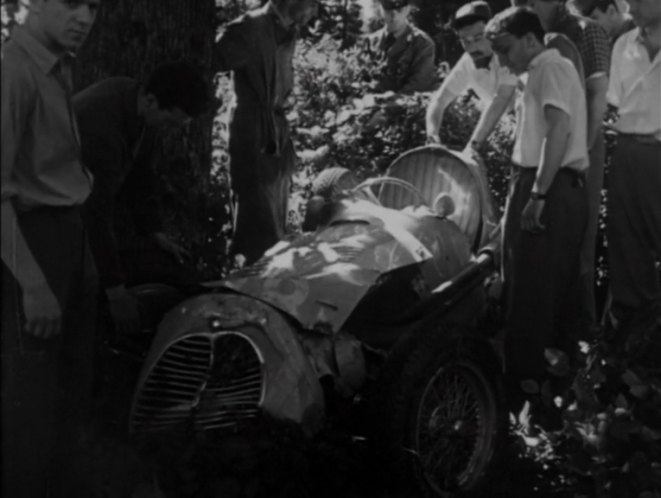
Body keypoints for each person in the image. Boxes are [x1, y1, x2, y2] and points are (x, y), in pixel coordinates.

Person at [1, 1, 100, 496]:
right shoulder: (13, 72)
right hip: (30, 244)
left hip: (68, 235)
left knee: (69, 391)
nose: (83, 16)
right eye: (70, 2)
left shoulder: (58, 63)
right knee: (29, 403)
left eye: (94, 6)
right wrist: (33, 285)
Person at [485, 7, 589, 396]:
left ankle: (527, 389)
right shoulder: (537, 73)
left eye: (505, 48)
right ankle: (546, 387)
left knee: (534, 293)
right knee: (531, 286)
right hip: (541, 183)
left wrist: (538, 195)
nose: (501, 58)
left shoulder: (552, 69)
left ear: (530, 39)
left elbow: (558, 131)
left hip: (551, 187)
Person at [74, 62, 209, 334]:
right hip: (52, 220)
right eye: (171, 122)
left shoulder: (138, 106)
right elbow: (94, 215)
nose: (171, 130)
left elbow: (139, 176)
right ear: (151, 100)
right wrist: (116, 291)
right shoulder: (99, 130)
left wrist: (154, 231)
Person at [527, 0, 610, 335]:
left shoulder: (588, 31)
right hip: (545, 151)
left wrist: (582, 153)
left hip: (581, 149)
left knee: (580, 244)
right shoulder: (532, 33)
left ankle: (584, 333)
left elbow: (597, 96)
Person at [217, 0, 318, 265]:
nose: (314, 11)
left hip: (277, 131)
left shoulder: (288, 30)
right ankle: (250, 277)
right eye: (312, 3)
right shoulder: (247, 29)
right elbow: (208, 62)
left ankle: (271, 275)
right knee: (255, 214)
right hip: (252, 132)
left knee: (276, 213)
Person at [605, 0, 660, 332]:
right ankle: (635, 337)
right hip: (627, 153)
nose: (630, 6)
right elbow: (614, 102)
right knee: (627, 243)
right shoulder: (624, 44)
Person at [426, 1, 518, 153]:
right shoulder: (467, 63)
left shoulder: (508, 53)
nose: (472, 47)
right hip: (509, 134)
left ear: (492, 31)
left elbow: (500, 99)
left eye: (478, 38)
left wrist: (473, 146)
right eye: (465, 40)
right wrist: (432, 135)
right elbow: (439, 100)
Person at [364, 0, 436, 94]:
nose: (394, 15)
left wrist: (387, 102)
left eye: (399, 9)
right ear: (381, 10)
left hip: (404, 105)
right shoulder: (371, 42)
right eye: (388, 10)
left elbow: (418, 85)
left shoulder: (422, 43)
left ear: (407, 10)